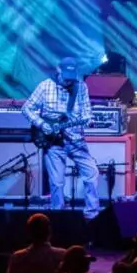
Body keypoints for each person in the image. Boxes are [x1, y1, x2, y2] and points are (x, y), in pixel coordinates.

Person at [23, 57, 101, 216]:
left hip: (76, 142)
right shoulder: (45, 86)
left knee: (92, 174)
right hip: (54, 144)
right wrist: (42, 124)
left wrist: (86, 121)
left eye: (71, 79)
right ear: (58, 71)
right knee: (57, 183)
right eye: (66, 78)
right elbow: (27, 108)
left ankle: (92, 215)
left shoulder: (81, 87)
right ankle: (58, 217)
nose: (68, 82)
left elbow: (87, 114)